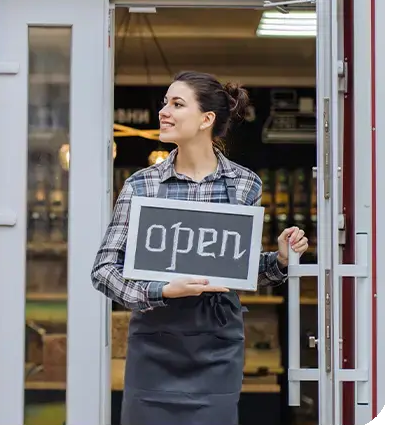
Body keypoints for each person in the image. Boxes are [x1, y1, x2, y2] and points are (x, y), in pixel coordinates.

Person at [91, 71, 310, 428]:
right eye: (165, 102)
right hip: (154, 345)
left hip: (216, 347)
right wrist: (160, 291)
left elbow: (235, 267)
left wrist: (281, 260)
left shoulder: (244, 184)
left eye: (177, 104)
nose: (164, 111)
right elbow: (103, 270)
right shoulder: (141, 185)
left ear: (207, 119)